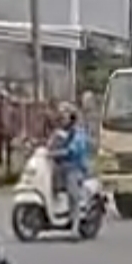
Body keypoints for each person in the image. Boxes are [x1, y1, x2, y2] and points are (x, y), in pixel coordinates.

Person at [49, 101, 90, 239]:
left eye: (65, 114)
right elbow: (50, 144)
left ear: (71, 116)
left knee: (73, 195)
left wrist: (63, 152)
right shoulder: (59, 132)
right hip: (61, 166)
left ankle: (75, 227)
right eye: (60, 115)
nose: (62, 117)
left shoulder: (77, 131)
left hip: (75, 167)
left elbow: (76, 149)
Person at [0, 89, 16, 176]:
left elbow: (13, 120)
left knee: (8, 147)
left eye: (3, 97)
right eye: (1, 97)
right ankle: (0, 160)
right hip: (1, 130)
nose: (2, 99)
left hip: (8, 130)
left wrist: (13, 131)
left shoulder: (10, 108)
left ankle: (8, 162)